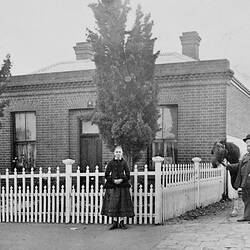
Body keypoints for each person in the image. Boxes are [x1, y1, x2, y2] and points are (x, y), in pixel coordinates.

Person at [101, 145, 135, 229]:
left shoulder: (124, 163)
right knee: (113, 204)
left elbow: (128, 175)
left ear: (122, 153)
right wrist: (113, 180)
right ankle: (115, 222)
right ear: (114, 153)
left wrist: (121, 180)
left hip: (122, 186)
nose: (118, 153)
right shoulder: (111, 163)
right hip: (113, 186)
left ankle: (122, 222)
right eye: (116, 152)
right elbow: (106, 175)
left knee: (122, 204)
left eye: (119, 152)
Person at [225, 134, 250, 222]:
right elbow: (239, 165)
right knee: (246, 199)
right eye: (247, 145)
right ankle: (247, 216)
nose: (248, 146)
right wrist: (228, 166)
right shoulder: (246, 156)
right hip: (245, 182)